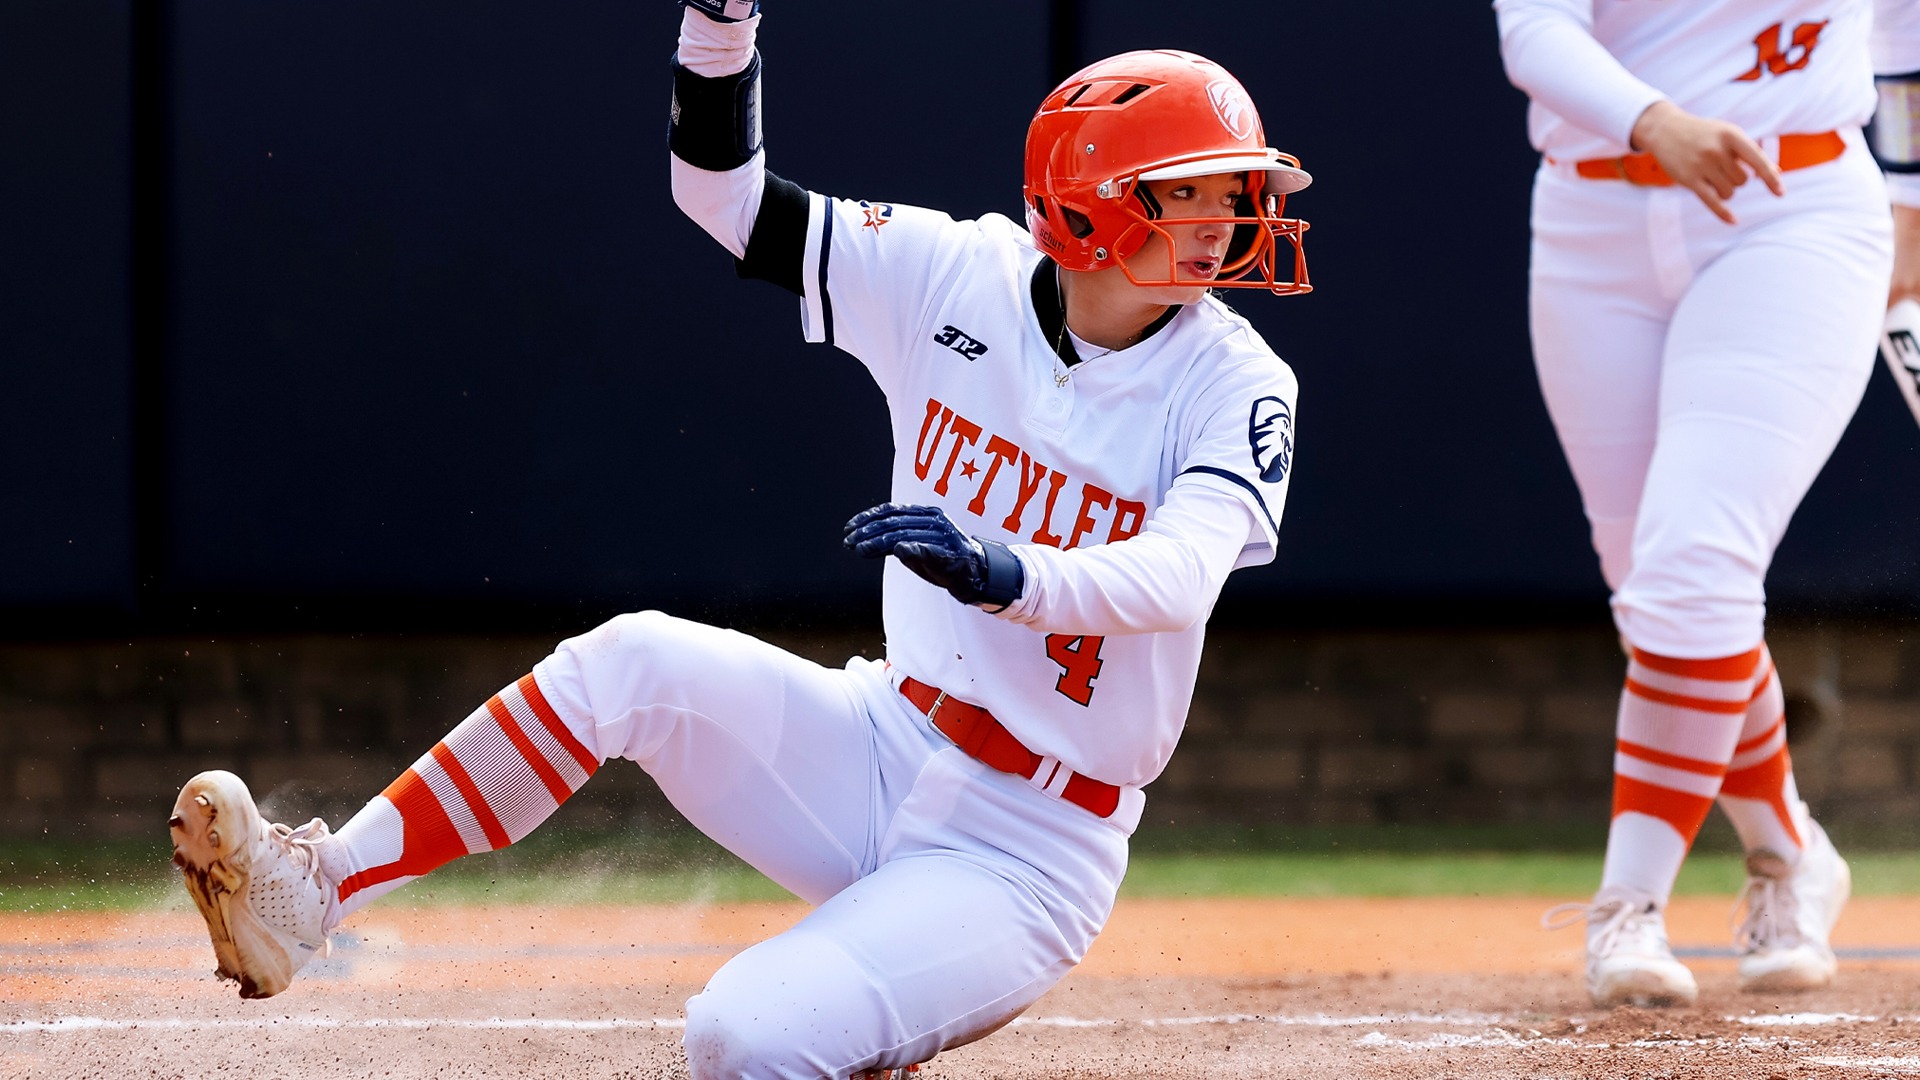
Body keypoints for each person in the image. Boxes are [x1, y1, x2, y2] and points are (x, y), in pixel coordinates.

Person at [166, 3, 1314, 1075]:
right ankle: (314, 891)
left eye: (1232, 191)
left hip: (1030, 843)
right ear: (1086, 200)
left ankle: (863, 1012)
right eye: (1192, 191)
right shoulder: (957, 274)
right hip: (880, 738)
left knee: (737, 1037)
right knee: (632, 657)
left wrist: (1014, 574)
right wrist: (721, 24)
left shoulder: (1235, 379)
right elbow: (728, 199)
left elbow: (1180, 571)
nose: (1229, 219)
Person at [1495, 0, 1919, 1008]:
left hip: (1794, 208)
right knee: (1655, 594)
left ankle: (1628, 905)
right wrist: (1654, 119)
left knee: (1692, 572)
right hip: (1590, 221)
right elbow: (1535, 36)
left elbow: (1905, 43)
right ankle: (1788, 854)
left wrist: (1912, 213)